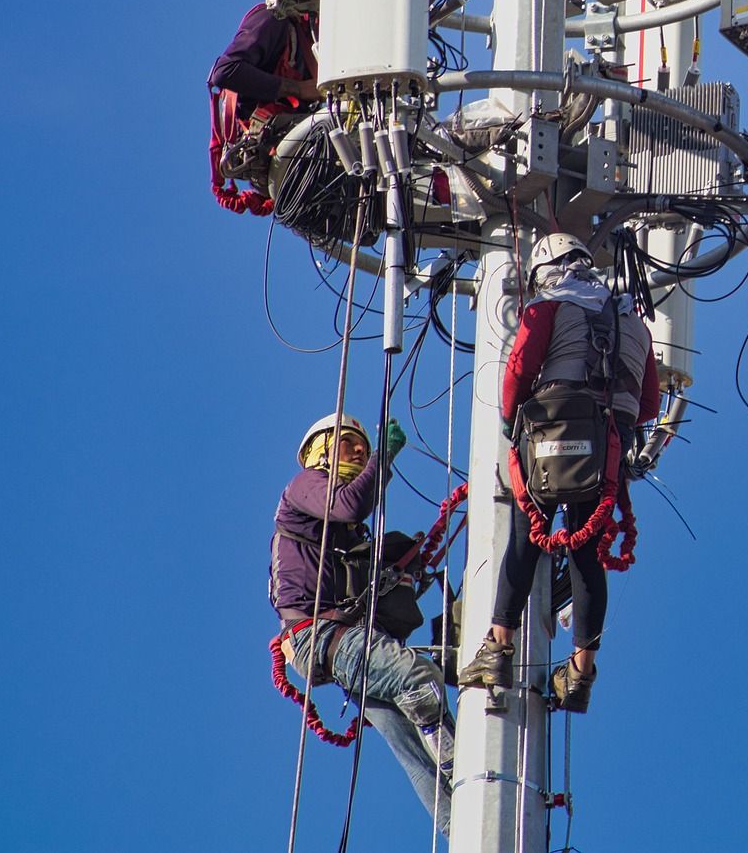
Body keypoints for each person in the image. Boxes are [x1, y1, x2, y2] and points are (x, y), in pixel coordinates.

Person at [456, 232, 662, 712]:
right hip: (611, 441)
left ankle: (498, 647)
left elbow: (519, 373)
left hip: (554, 430)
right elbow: (649, 402)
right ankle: (580, 672)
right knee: (587, 551)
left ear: (545, 270)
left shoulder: (547, 306)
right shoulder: (635, 323)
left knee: (529, 535)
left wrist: (511, 425)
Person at [270, 413, 453, 834]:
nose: (360, 449)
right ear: (321, 452)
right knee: (418, 678)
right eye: (349, 442)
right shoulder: (305, 487)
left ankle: (461, 825)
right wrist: (383, 457)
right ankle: (470, 767)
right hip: (323, 636)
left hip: (342, 639)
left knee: (411, 745)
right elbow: (351, 501)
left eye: (363, 444)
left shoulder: (348, 536)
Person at [208, 3, 321, 213]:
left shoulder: (313, 41)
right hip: (265, 143)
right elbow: (225, 71)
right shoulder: (276, 18)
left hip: (293, 155)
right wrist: (298, 89)